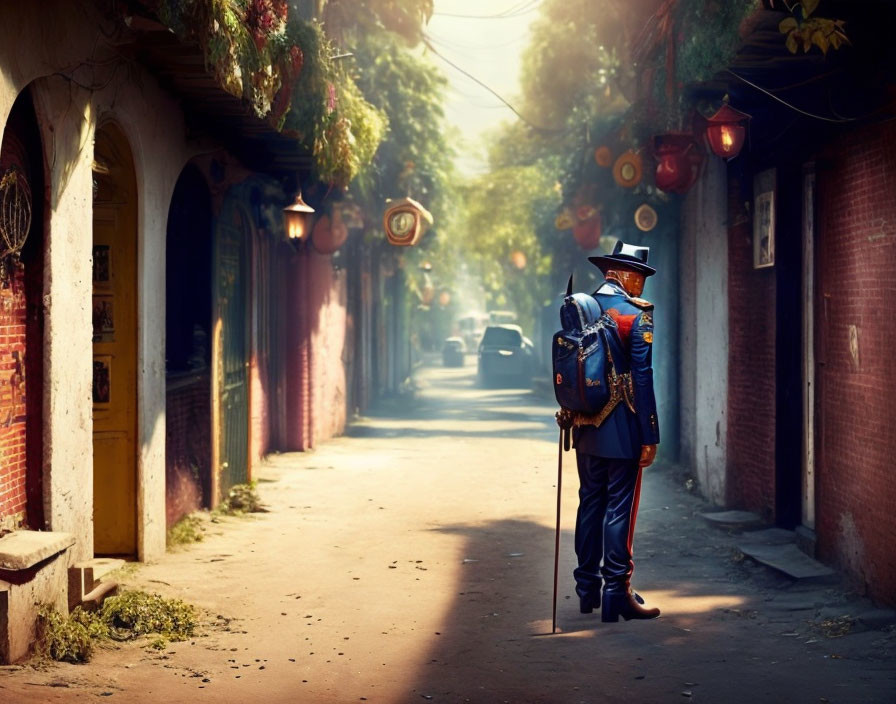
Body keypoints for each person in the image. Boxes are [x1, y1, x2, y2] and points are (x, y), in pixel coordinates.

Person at [564, 240, 661, 622]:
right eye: (639, 277)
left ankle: (586, 589)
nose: (642, 286)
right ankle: (615, 593)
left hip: (585, 425)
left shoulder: (581, 307)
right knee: (619, 506)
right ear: (621, 275)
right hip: (622, 429)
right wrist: (650, 434)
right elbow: (643, 377)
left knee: (590, 503)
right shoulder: (636, 314)